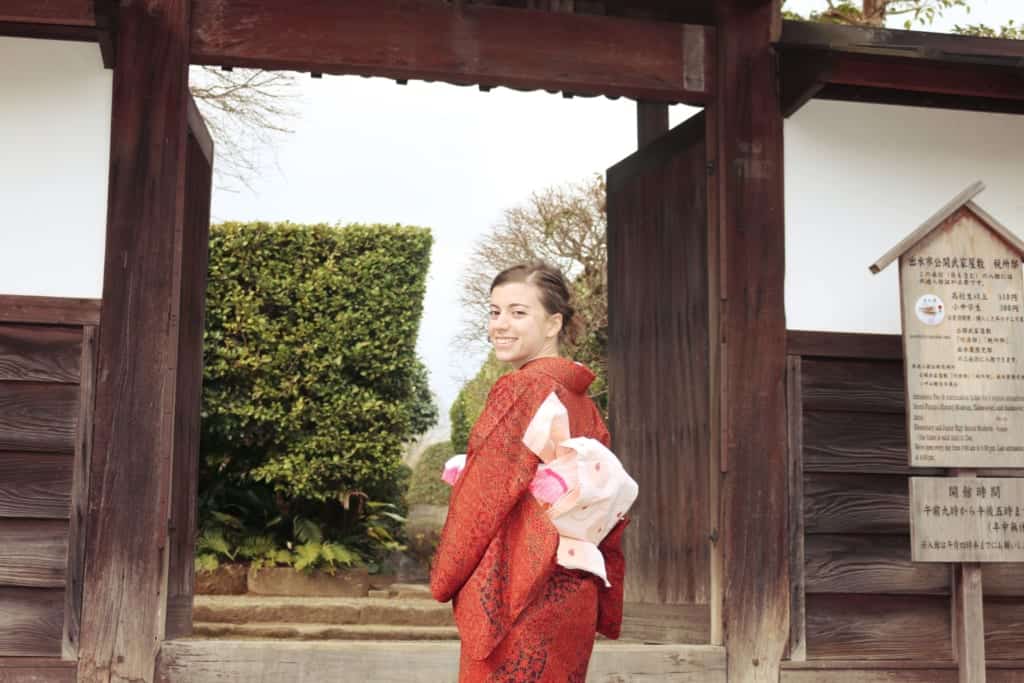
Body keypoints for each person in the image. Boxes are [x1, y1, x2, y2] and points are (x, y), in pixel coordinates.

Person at [430, 262, 629, 682]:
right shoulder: (581, 402)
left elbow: (485, 495)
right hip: (573, 591)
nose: (500, 325)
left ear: (554, 322)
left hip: (521, 596)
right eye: (494, 312)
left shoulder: (523, 387)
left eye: (518, 313)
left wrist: (446, 575)